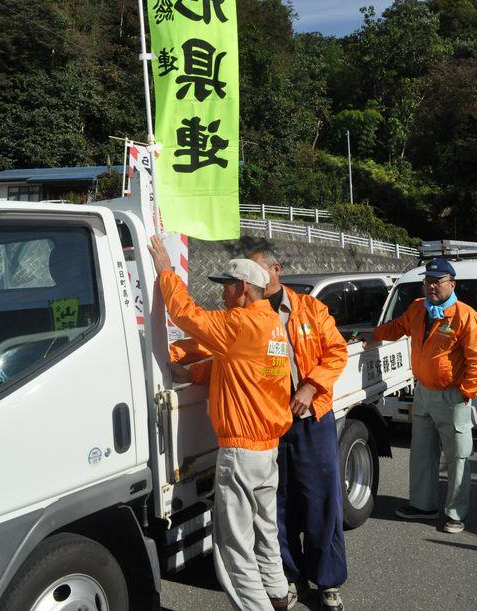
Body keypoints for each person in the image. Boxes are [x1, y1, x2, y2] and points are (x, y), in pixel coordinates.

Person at [149, 236, 292, 611]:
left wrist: (166, 271)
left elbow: (186, 315)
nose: (222, 295)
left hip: (242, 451)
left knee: (233, 547)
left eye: (226, 287)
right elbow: (236, 368)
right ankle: (277, 594)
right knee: (265, 528)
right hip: (267, 448)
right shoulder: (271, 324)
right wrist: (194, 373)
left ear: (243, 287)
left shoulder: (240, 324)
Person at [248, 249, 348, 611]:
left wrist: (310, 386)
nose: (253, 276)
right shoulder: (247, 312)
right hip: (272, 422)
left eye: (258, 268)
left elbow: (336, 352)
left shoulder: (310, 308)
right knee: (279, 503)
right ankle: (289, 577)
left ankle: (327, 582)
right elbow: (224, 354)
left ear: (276, 269)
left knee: (322, 500)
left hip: (313, 419)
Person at [374, 256, 477, 533]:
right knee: (421, 453)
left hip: (453, 396)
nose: (431, 287)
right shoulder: (418, 308)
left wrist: (467, 392)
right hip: (423, 392)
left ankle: (456, 513)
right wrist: (374, 334)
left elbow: (475, 358)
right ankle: (423, 505)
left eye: (438, 282)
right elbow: (398, 327)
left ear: (451, 284)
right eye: (428, 281)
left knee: (457, 457)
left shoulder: (465, 315)